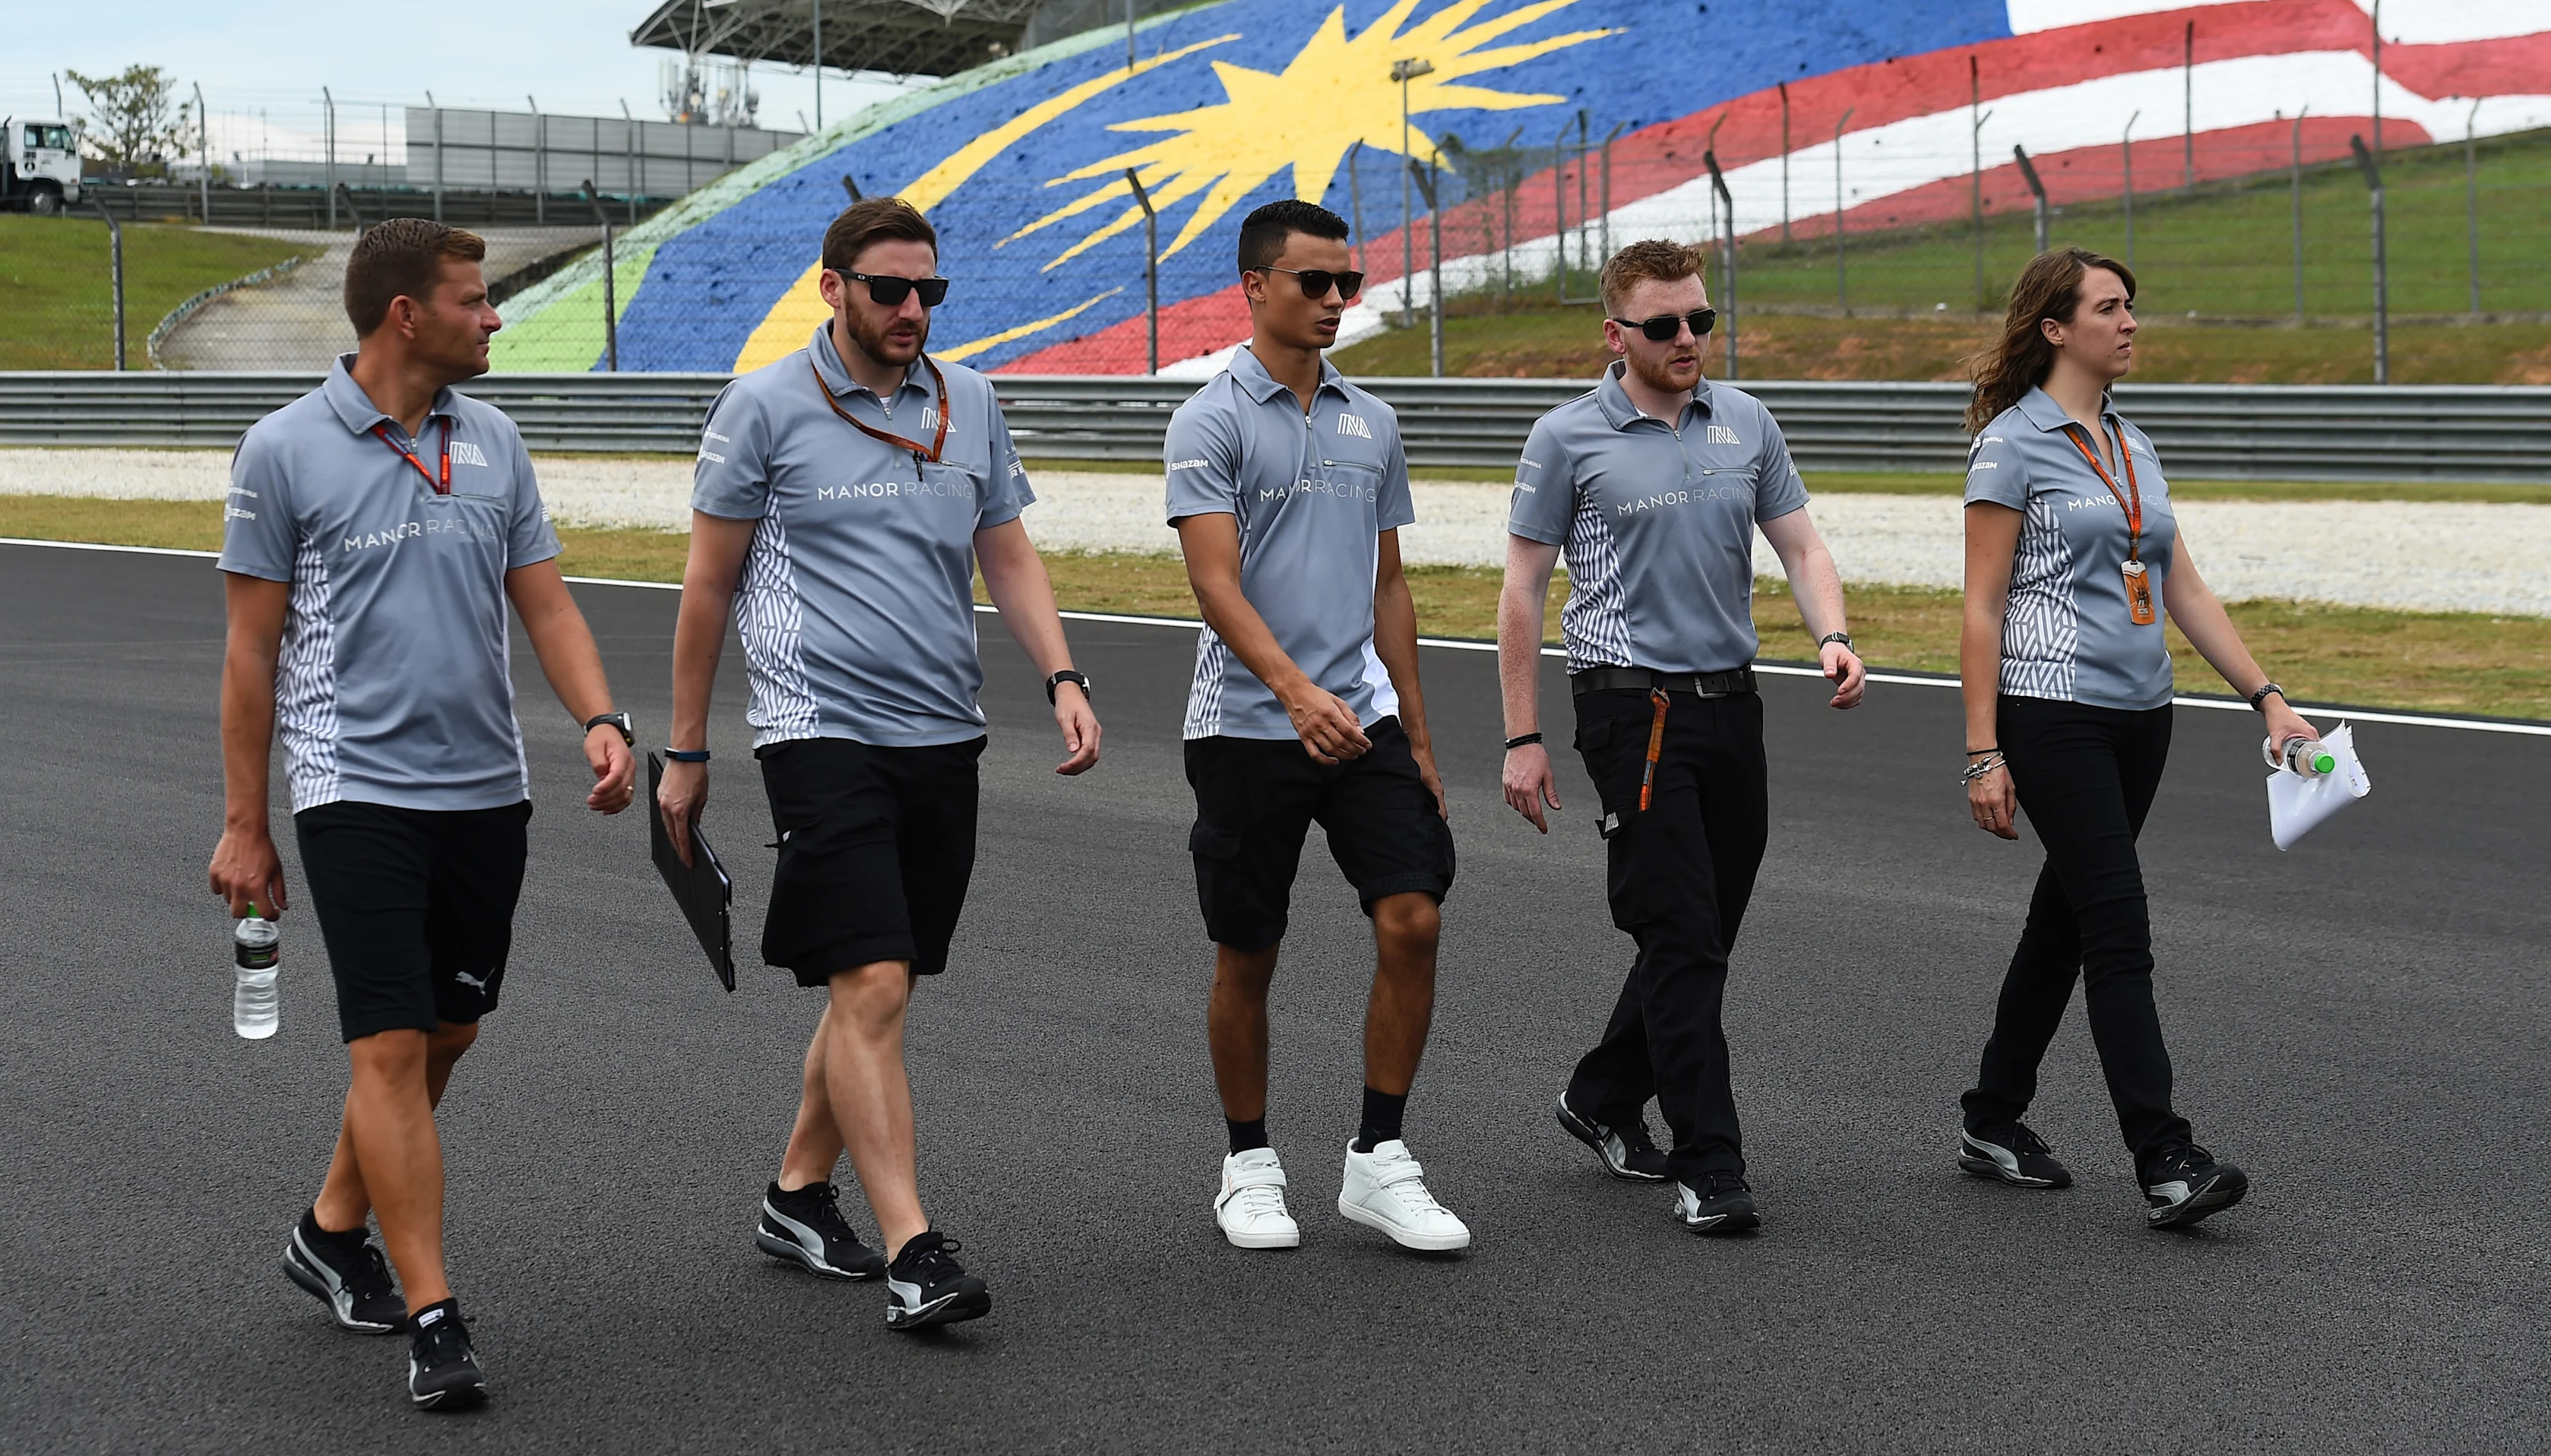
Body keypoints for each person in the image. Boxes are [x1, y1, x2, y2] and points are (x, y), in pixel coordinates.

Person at [208, 220, 637, 1411]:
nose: (494, 317)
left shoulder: (493, 439)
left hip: (487, 794)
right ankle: (433, 1312)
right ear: (407, 313)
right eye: (474, 298)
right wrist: (249, 822)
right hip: (356, 794)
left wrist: (600, 719)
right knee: (388, 1047)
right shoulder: (283, 449)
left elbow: (545, 605)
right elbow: (250, 656)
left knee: (447, 1036)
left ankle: (331, 1227)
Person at [659, 195, 1102, 1330]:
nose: (913, 310)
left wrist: (1062, 675)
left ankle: (798, 1193)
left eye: (930, 292)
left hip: (943, 733)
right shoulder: (761, 408)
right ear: (833, 288)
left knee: (883, 975)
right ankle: (915, 1249)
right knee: (875, 981)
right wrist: (689, 747)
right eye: (890, 290)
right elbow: (707, 586)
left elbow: (1005, 545)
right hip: (820, 732)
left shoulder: (972, 401)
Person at [1497, 238, 1866, 1236]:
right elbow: (1523, 589)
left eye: (1701, 319)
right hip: (1632, 709)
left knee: (1704, 930)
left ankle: (1603, 1093)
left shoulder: (1745, 421)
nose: (1689, 338)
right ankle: (1713, 1162)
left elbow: (1801, 541)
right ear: (1616, 334)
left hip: (1730, 706)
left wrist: (1832, 633)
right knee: (1683, 937)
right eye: (1665, 325)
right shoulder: (1567, 435)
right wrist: (1521, 734)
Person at [1957, 247, 2319, 1230]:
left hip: (2140, 716)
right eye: (2109, 308)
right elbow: (1983, 607)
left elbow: (2184, 586)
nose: (2129, 322)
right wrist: (1984, 750)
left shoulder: (2134, 445)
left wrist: (2267, 698)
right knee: (2116, 922)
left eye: (2131, 307)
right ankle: (2165, 1155)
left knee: (2065, 921)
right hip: (2051, 709)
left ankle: (1991, 1116)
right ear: (2056, 328)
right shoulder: (2010, 445)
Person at [1163, 198, 1468, 1256]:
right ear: (1256, 287)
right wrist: (1295, 690)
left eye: (1350, 282)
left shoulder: (1370, 421)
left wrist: (1417, 736)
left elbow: (1390, 585)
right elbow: (1214, 583)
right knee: (1250, 951)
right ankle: (1248, 1163)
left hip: (1363, 723)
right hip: (1248, 725)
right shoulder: (1208, 419)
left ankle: (1379, 1160)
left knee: (1414, 920)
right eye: (1315, 283)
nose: (1339, 299)